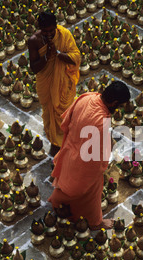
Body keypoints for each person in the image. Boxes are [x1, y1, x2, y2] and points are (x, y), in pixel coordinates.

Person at [48, 81, 131, 230]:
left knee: (66, 180)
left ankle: (58, 203)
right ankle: (95, 222)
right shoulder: (101, 122)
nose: (118, 110)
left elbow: (66, 122)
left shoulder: (87, 97)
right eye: (119, 106)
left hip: (69, 150)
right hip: (82, 161)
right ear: (114, 102)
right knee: (92, 188)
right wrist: (104, 163)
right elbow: (97, 159)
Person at [28, 11, 81, 157]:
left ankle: (65, 138)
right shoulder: (34, 40)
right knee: (50, 111)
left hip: (63, 81)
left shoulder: (64, 35)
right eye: (45, 31)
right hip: (46, 80)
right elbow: (34, 68)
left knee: (64, 111)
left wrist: (57, 53)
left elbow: (76, 57)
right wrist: (47, 56)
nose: (49, 34)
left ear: (56, 26)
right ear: (39, 28)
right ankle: (55, 141)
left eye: (51, 30)